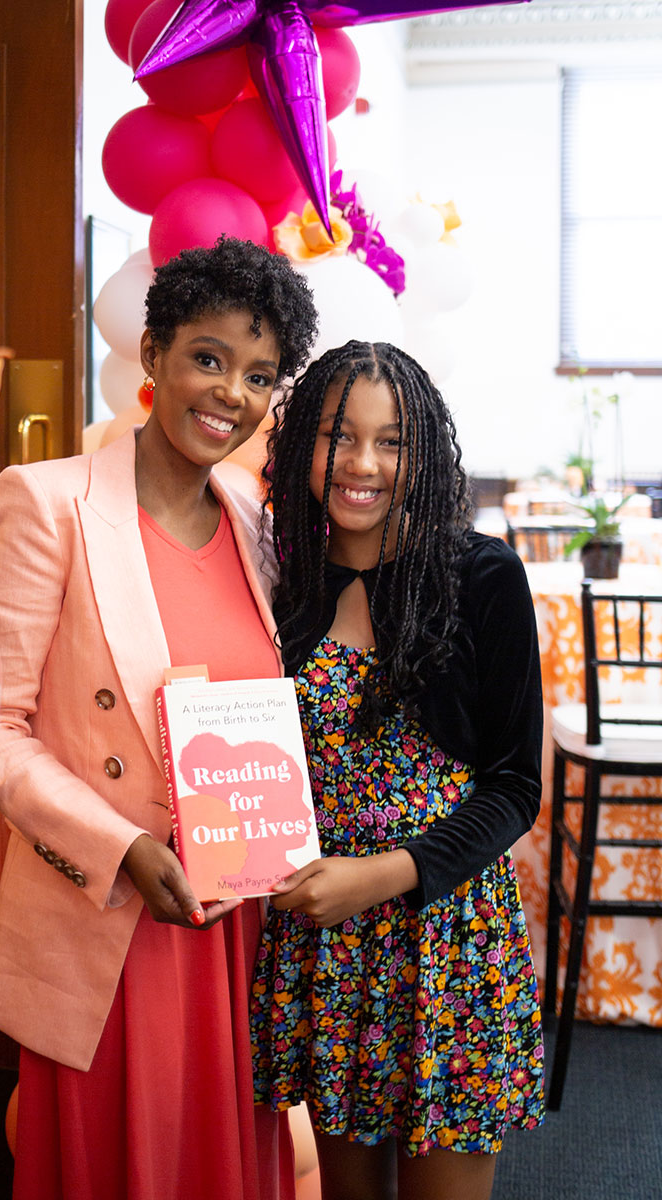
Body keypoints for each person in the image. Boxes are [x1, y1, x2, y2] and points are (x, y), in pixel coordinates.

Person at [0, 237, 318, 1200]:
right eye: (208, 357)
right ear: (151, 355)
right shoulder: (47, 504)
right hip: (109, 917)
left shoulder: (255, 517)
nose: (230, 393)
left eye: (259, 374)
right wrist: (121, 849)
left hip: (239, 928)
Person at [249, 341, 545, 1200]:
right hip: (326, 943)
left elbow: (515, 786)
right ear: (304, 438)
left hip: (446, 939)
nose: (362, 465)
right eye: (339, 436)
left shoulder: (482, 576)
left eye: (391, 442)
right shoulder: (283, 574)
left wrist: (381, 877)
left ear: (423, 454)